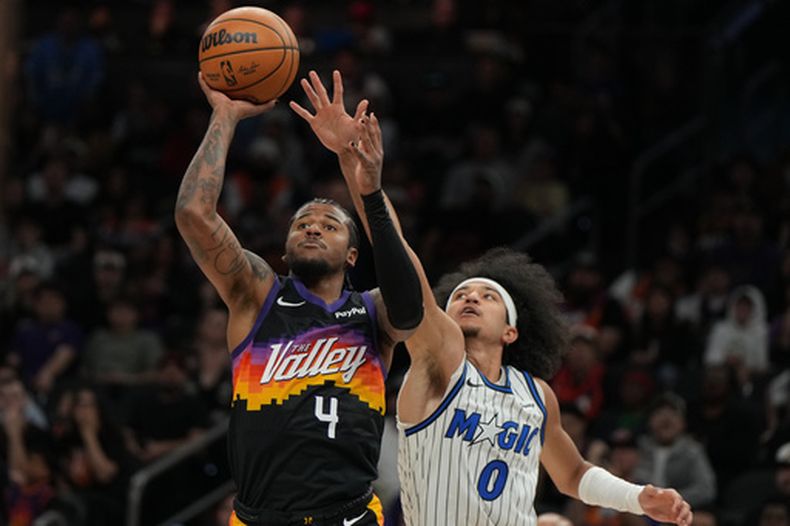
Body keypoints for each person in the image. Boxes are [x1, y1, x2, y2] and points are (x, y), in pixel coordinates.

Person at [291, 70, 693, 526]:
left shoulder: (536, 395)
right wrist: (356, 168)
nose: (470, 297)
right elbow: (399, 261)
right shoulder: (440, 364)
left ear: (511, 330)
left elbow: (573, 475)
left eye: (487, 295)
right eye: (460, 293)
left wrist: (640, 497)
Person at [174, 73, 423, 526]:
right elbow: (193, 214)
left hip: (348, 516)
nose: (312, 227)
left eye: (329, 225)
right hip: (257, 517)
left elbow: (412, 309)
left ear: (352, 254)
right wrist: (225, 117)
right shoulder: (257, 295)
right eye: (302, 224)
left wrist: (368, 190)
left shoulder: (372, 312)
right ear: (285, 248)